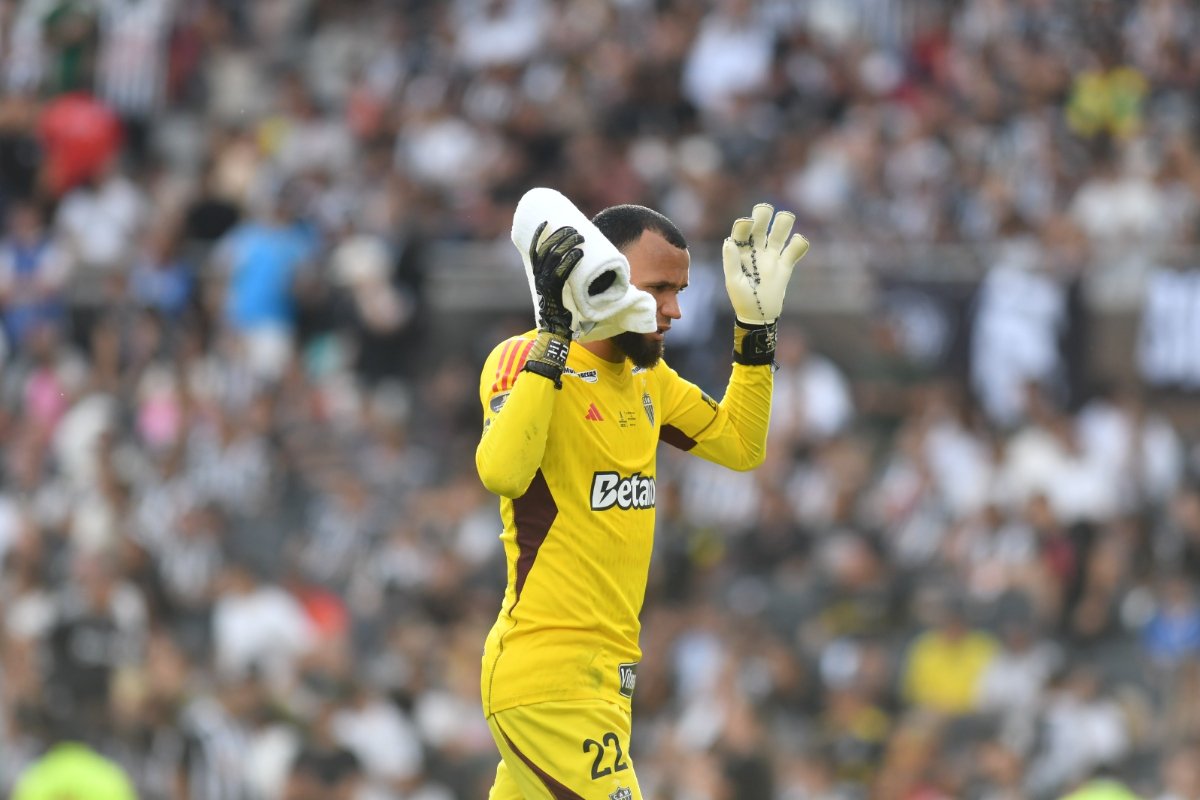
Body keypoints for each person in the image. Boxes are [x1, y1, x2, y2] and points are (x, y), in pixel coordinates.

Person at [475, 201, 809, 799]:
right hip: (551, 679)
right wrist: (554, 338)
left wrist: (755, 330)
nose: (674, 310)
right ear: (601, 274)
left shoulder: (649, 379)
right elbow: (501, 472)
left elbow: (741, 445)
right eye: (658, 289)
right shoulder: (524, 358)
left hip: (605, 682)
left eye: (679, 292)